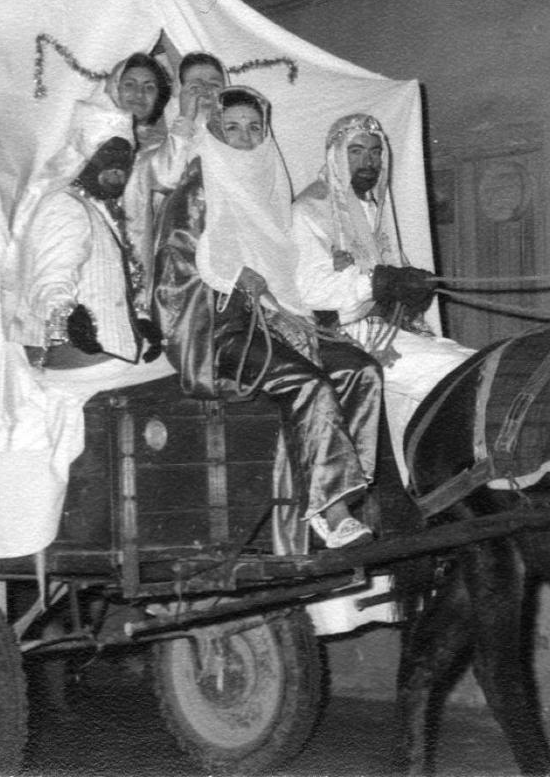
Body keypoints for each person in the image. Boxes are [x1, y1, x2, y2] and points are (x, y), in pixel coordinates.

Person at [153, 86, 384, 548]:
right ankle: (332, 509)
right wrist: (235, 276)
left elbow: (289, 268)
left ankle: (344, 495)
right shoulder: (197, 186)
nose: (244, 139)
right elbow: (172, 269)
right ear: (215, 130)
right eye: (232, 128)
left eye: (254, 128)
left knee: (363, 371)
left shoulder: (272, 186)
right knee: (310, 384)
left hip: (280, 320)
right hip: (222, 330)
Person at [293, 113, 473, 477]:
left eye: (375, 152)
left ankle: (428, 491)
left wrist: (413, 288)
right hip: (341, 337)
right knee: (456, 371)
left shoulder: (376, 208)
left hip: (385, 329)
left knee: (459, 359)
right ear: (334, 155)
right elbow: (312, 292)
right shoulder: (309, 210)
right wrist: (379, 282)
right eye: (356, 151)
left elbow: (389, 273)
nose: (368, 161)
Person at [4, 97, 168, 380]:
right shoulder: (66, 206)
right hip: (83, 362)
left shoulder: (99, 209)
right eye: (108, 153)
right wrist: (67, 316)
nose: (119, 165)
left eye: (125, 156)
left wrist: (138, 320)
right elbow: (51, 279)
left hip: (109, 355)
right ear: (84, 157)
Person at [123, 51, 228, 312]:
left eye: (214, 84)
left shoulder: (240, 138)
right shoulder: (161, 142)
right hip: (179, 271)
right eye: (195, 85)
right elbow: (165, 176)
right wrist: (186, 118)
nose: (205, 91)